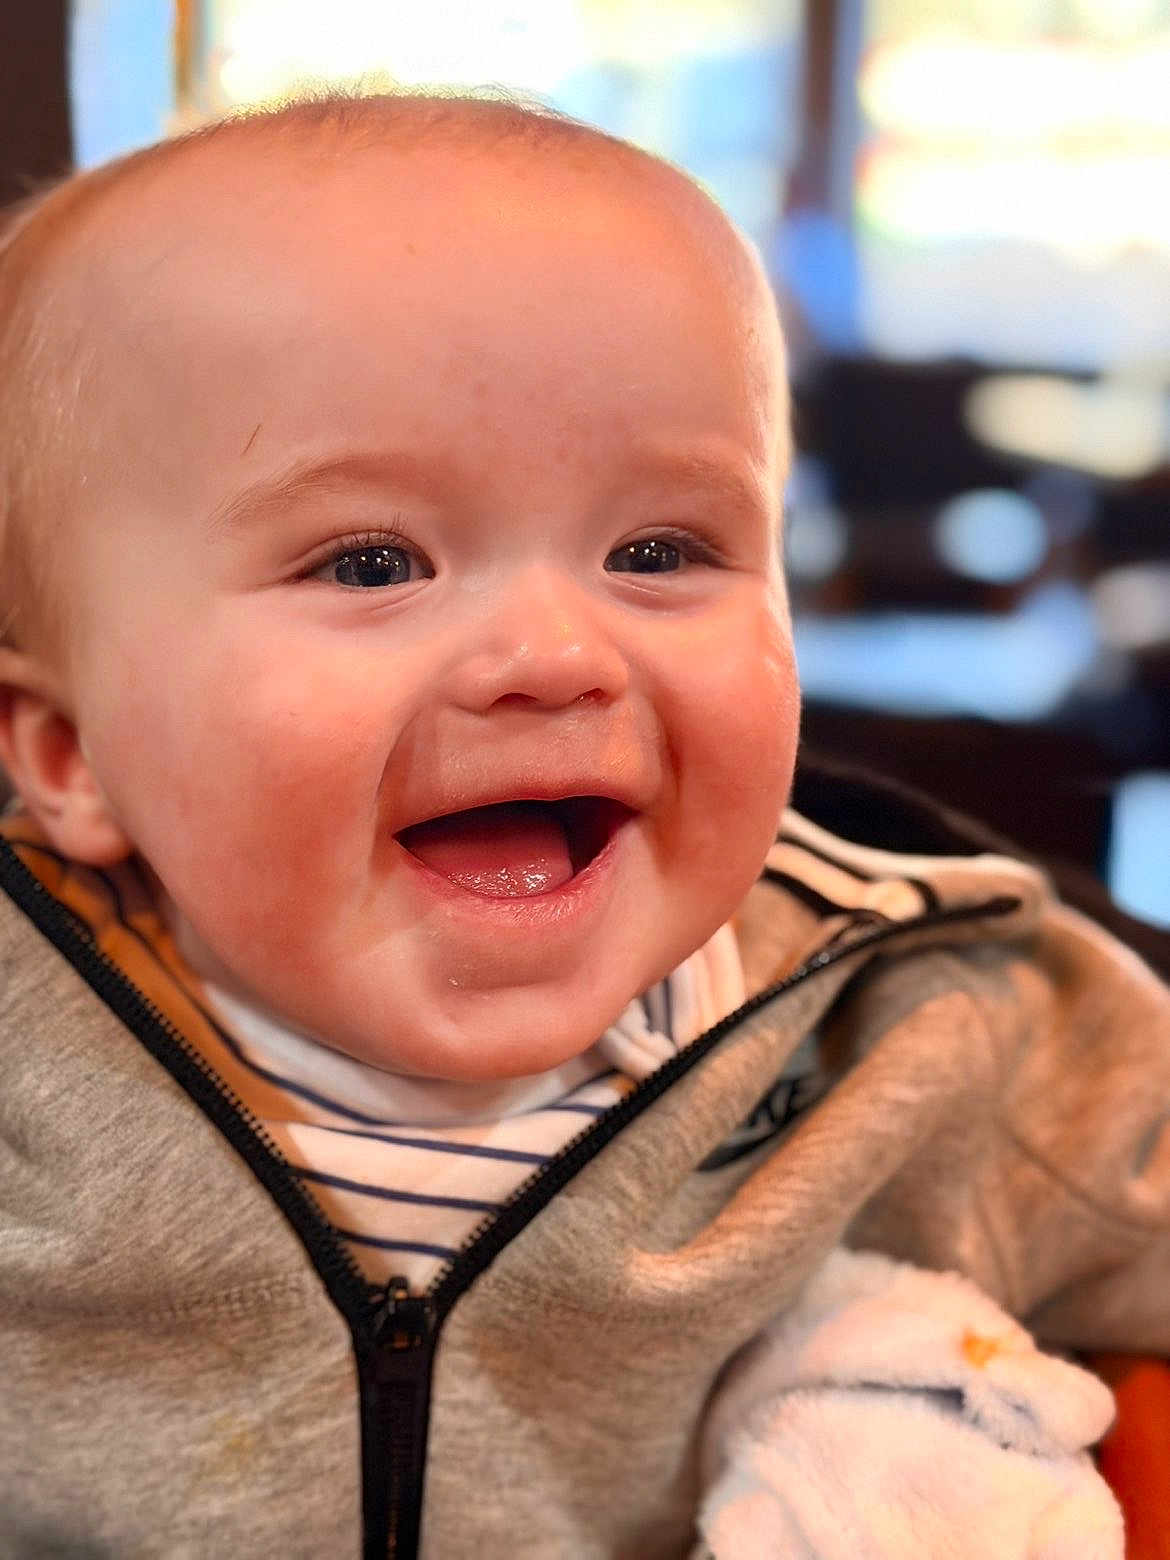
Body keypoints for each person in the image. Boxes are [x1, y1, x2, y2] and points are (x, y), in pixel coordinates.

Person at [0, 91, 1164, 1558]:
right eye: (371, 562)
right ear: (68, 754)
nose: (556, 654)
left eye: (658, 550)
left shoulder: (915, 1036)